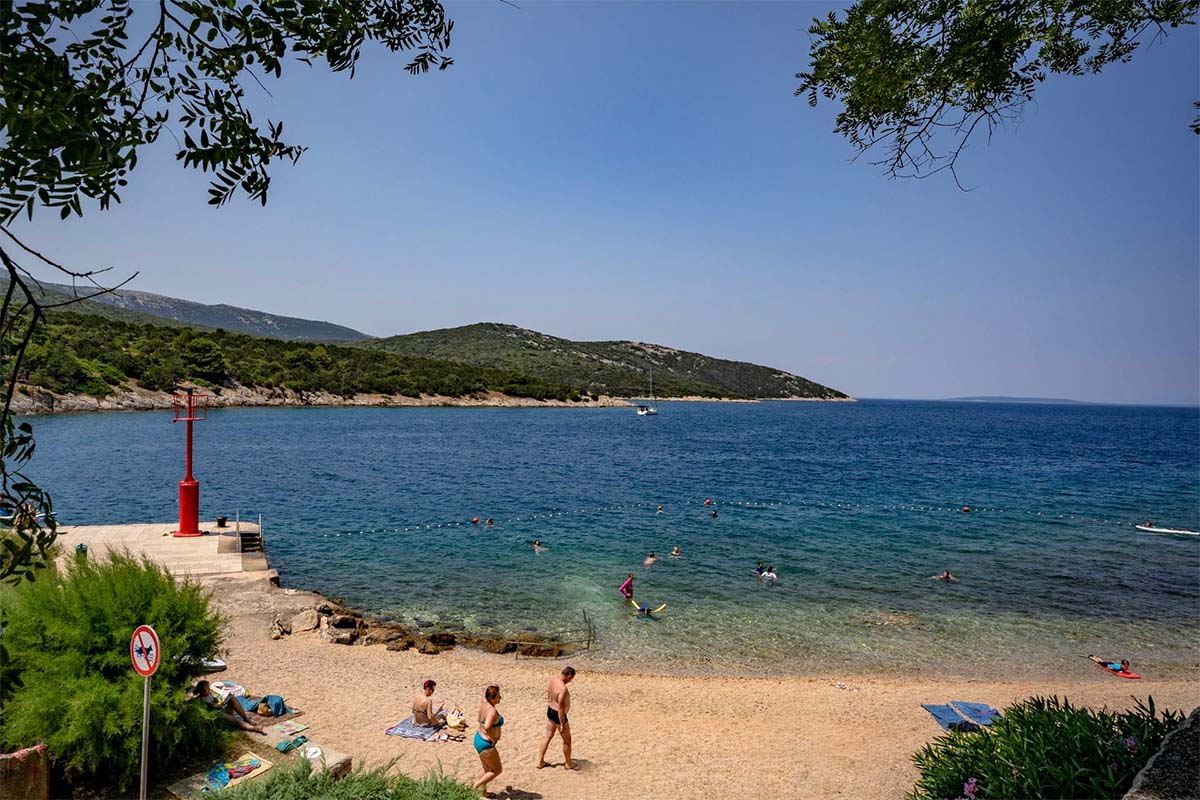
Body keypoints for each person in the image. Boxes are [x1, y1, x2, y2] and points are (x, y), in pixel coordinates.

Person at [537, 666, 577, 770]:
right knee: (567, 741)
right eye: (571, 679)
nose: (570, 681)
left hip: (550, 710)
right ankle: (568, 764)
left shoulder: (553, 679)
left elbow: (549, 692)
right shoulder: (563, 689)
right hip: (558, 715)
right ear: (569, 676)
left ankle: (540, 762)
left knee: (547, 736)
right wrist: (562, 724)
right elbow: (561, 708)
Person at [194, 680, 264, 733]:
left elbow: (216, 701)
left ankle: (245, 718)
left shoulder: (208, 695)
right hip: (217, 716)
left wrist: (222, 701)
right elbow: (213, 708)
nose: (209, 689)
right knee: (235, 720)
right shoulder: (202, 700)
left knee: (232, 698)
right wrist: (221, 704)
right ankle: (253, 728)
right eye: (207, 688)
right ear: (202, 691)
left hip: (221, 710)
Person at [473, 685, 504, 797]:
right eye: (498, 696)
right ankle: (475, 786)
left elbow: (480, 721)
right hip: (486, 744)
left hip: (478, 738)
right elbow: (487, 726)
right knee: (497, 770)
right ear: (492, 698)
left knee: (487, 770)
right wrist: (492, 738)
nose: (500, 698)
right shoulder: (492, 711)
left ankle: (483, 793)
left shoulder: (484, 705)